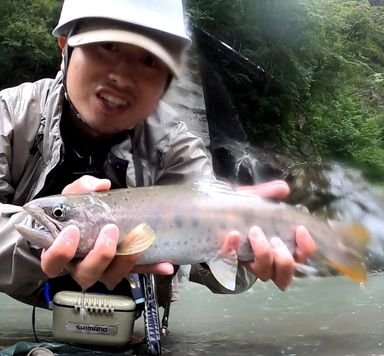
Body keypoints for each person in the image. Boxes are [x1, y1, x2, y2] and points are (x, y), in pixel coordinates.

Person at [0, 0, 316, 308]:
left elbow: (222, 272)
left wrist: (250, 250)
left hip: (134, 329)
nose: (122, 78)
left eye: (150, 60)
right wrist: (35, 244)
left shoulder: (178, 148)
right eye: (108, 46)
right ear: (64, 44)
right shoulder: (9, 116)